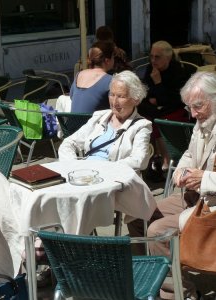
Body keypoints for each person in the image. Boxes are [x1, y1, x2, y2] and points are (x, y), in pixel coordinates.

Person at [129, 71, 216, 299]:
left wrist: (204, 178)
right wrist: (181, 169)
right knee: (137, 215)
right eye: (190, 108)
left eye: (198, 106)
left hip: (211, 205)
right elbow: (189, 152)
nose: (194, 113)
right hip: (195, 195)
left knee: (158, 232)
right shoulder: (203, 121)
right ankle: (144, 277)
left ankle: (178, 293)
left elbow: (206, 177)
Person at [59, 70, 152, 173]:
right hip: (85, 175)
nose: (114, 102)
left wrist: (104, 170)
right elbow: (69, 142)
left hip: (114, 179)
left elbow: (139, 160)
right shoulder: (100, 117)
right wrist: (74, 167)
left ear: (136, 99)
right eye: (112, 94)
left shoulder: (141, 126)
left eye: (121, 96)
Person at [138, 40, 190, 171]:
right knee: (140, 113)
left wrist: (158, 83)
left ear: (168, 57)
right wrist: (154, 97)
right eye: (151, 56)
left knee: (157, 120)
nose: (153, 60)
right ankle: (150, 156)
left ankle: (165, 159)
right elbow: (145, 92)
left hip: (175, 109)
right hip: (155, 108)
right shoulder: (151, 68)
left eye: (157, 57)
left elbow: (172, 100)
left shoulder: (178, 72)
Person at [70, 40, 114, 113]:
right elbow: (116, 105)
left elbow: (72, 97)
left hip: (72, 123)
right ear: (107, 60)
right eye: (113, 57)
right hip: (94, 123)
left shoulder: (79, 75)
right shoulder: (110, 80)